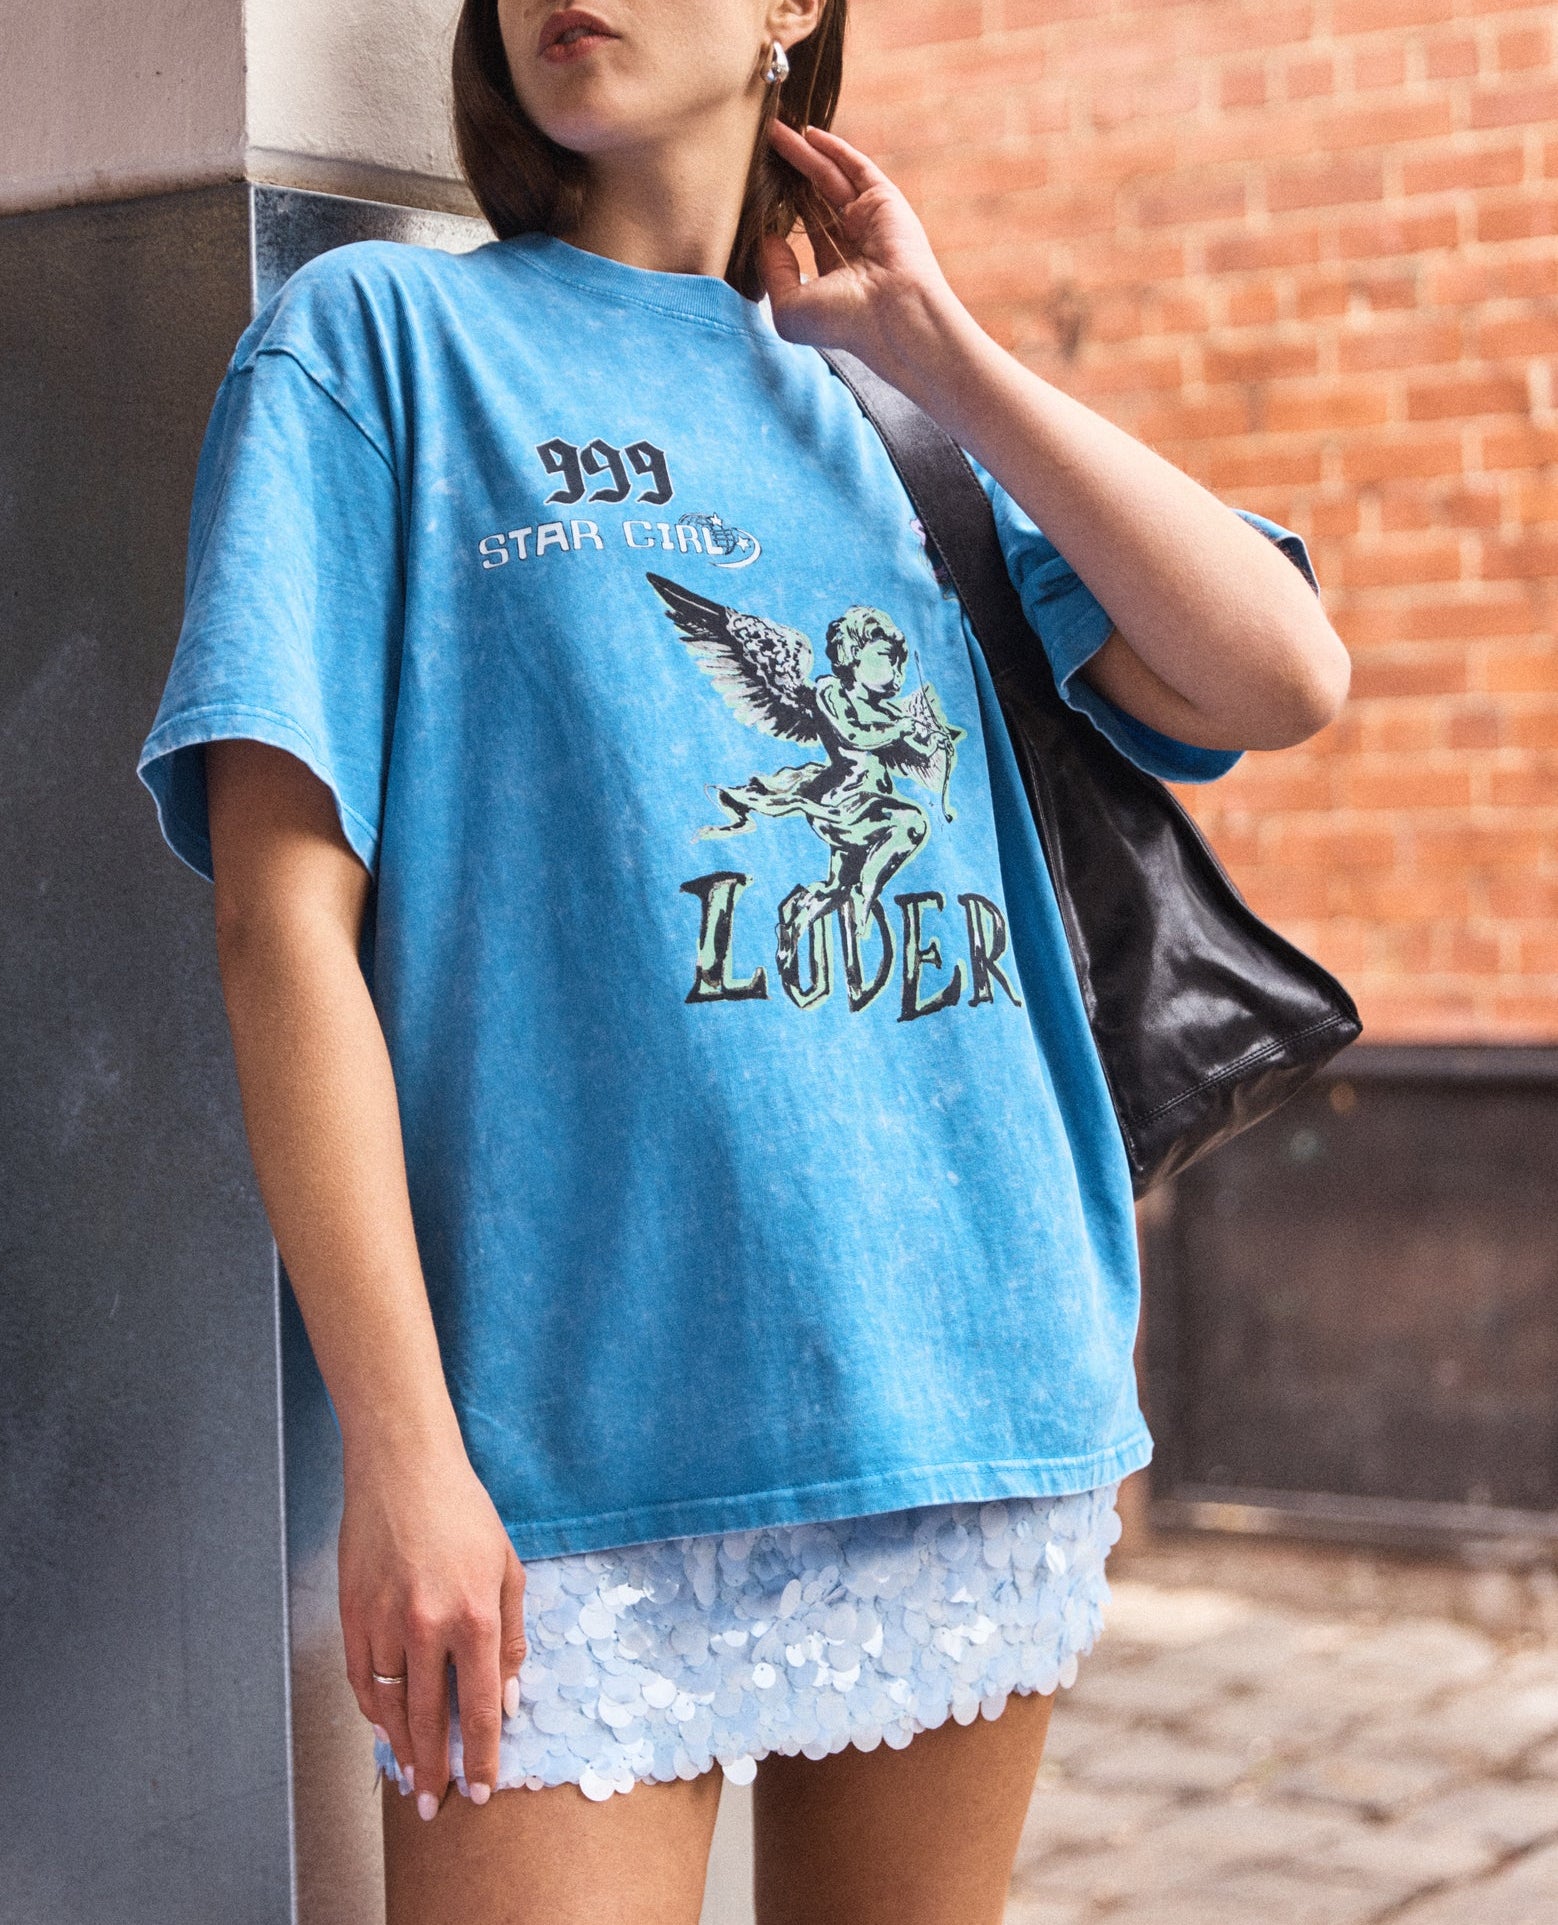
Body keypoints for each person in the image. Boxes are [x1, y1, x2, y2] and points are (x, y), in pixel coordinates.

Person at [137, 1, 1350, 1918]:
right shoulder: (380, 342)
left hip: (964, 1389)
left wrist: (939, 348)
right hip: (562, 1451)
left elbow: (1278, 673)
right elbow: (281, 924)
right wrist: (404, 1453)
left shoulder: (891, 409)